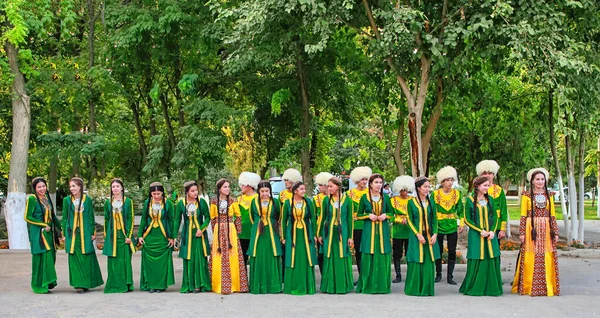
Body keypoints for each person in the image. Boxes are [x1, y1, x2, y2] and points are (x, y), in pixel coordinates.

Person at [512, 168, 560, 297]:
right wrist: (521, 233)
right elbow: (522, 216)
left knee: (547, 254)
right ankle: (528, 286)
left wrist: (555, 232)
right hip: (531, 229)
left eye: (542, 179)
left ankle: (547, 286)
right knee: (530, 254)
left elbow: (553, 215)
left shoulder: (549, 195)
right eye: (537, 179)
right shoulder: (526, 196)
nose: (540, 182)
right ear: (532, 181)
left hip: (546, 229)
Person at [459, 176, 503, 296]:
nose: (487, 188)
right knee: (478, 256)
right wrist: (480, 230)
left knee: (491, 256)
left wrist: (493, 231)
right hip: (476, 235)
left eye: (488, 185)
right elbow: (467, 219)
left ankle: (491, 287)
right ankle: (475, 286)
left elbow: (495, 217)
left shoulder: (491, 200)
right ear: (477, 186)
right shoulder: (469, 201)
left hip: (490, 235)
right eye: (485, 185)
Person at [62, 177, 104, 293]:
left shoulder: (87, 200)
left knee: (86, 258)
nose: (72, 189)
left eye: (74, 186)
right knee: (74, 258)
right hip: (72, 234)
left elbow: (91, 217)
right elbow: (65, 218)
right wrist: (64, 233)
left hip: (84, 233)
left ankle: (86, 283)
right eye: (70, 186)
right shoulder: (67, 200)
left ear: (80, 186)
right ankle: (78, 284)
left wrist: (92, 232)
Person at [355, 174, 394, 294]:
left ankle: (382, 285)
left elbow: (392, 214)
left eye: (380, 182)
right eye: (376, 182)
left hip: (382, 231)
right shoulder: (364, 198)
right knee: (368, 254)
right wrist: (368, 215)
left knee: (382, 254)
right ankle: (367, 285)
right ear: (370, 184)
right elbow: (358, 215)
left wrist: (385, 215)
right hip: (368, 231)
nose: (379, 185)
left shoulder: (386, 198)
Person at [209, 179, 249, 295]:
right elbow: (212, 218)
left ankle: (235, 284)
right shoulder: (214, 202)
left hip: (231, 230)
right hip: (219, 230)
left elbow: (238, 216)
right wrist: (215, 231)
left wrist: (238, 230)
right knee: (218, 255)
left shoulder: (233, 201)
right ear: (219, 189)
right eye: (225, 187)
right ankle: (218, 284)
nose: (228, 189)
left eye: (228, 187)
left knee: (233, 255)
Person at [317, 177, 354, 294]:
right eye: (328, 186)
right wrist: (319, 234)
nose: (329, 189)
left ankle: (342, 285)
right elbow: (322, 217)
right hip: (329, 233)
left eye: (331, 186)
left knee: (341, 255)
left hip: (342, 232)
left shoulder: (347, 200)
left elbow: (350, 220)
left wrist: (350, 237)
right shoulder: (326, 200)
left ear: (338, 186)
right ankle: (329, 285)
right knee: (329, 255)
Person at [25, 177, 62, 294]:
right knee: (41, 258)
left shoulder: (46, 199)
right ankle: (39, 285)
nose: (42, 189)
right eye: (39, 187)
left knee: (50, 257)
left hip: (49, 233)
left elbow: (52, 216)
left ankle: (48, 282)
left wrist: (62, 228)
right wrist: (42, 224)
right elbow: (27, 217)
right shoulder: (32, 199)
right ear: (35, 189)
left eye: (43, 186)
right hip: (39, 233)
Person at [405, 177, 440, 296]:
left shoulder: (432, 202)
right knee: (416, 260)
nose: (427, 189)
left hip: (429, 236)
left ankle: (427, 288)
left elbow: (435, 219)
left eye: (428, 187)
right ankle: (414, 288)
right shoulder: (411, 202)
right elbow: (409, 219)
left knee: (429, 261)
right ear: (418, 188)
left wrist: (435, 234)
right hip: (417, 237)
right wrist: (418, 234)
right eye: (425, 186)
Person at [174, 181, 211, 293]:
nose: (195, 193)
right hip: (187, 235)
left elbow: (208, 218)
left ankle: (200, 284)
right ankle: (189, 284)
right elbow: (177, 220)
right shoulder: (181, 203)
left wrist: (202, 229)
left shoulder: (201, 202)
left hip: (199, 235)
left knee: (199, 258)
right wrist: (175, 236)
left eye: (196, 190)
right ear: (187, 192)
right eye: (192, 191)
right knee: (189, 259)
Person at [138, 182, 175, 293]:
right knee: (149, 262)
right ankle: (151, 284)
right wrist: (139, 235)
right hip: (149, 235)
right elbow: (144, 218)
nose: (156, 196)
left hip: (163, 236)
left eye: (158, 193)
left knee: (162, 263)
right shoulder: (147, 203)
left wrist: (172, 237)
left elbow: (171, 220)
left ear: (162, 193)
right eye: (154, 194)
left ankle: (161, 285)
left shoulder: (168, 204)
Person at [247, 180, 283, 294]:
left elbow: (279, 217)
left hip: (271, 233)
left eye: (266, 191)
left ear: (270, 191)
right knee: (258, 256)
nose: (264, 193)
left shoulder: (276, 202)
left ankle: (273, 285)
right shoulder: (254, 202)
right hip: (258, 233)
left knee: (271, 255)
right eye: (262, 191)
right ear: (258, 191)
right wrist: (259, 224)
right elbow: (251, 217)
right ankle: (258, 285)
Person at [282, 181, 317, 295]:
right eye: (301, 189)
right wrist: (283, 236)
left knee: (306, 256)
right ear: (295, 191)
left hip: (306, 233)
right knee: (293, 257)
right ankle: (292, 286)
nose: (304, 191)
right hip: (292, 233)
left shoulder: (308, 202)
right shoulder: (287, 203)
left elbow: (313, 219)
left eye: (304, 189)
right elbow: (283, 220)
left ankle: (307, 286)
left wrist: (315, 234)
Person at [103, 178, 136, 293]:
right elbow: (106, 219)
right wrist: (107, 236)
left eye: (117, 186)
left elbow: (131, 219)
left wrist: (128, 235)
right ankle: (114, 284)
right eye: (113, 187)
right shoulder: (108, 202)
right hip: (113, 237)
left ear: (122, 188)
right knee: (113, 261)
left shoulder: (128, 202)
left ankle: (126, 284)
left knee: (124, 261)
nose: (115, 189)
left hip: (124, 237)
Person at [433, 166, 464, 285]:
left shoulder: (457, 194)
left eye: (452, 179)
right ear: (442, 181)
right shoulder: (435, 194)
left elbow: (461, 210)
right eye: (447, 180)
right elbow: (432, 211)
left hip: (451, 225)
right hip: (438, 225)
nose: (450, 182)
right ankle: (438, 274)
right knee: (438, 250)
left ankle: (450, 276)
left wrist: (461, 223)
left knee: (452, 251)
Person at [347, 166, 372, 283]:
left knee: (369, 250)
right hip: (355, 225)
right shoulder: (349, 194)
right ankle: (362, 276)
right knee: (358, 251)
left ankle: (370, 275)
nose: (364, 182)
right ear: (356, 180)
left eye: (366, 179)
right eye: (362, 179)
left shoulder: (371, 193)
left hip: (368, 225)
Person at [390, 175, 414, 283]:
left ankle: (410, 274)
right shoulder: (393, 201)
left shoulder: (413, 200)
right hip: (398, 231)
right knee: (397, 254)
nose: (404, 192)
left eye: (406, 190)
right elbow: (390, 215)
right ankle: (398, 275)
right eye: (402, 190)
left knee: (410, 252)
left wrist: (409, 220)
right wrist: (399, 220)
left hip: (410, 230)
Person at [233, 172, 261, 267]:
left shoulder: (258, 198)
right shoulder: (239, 199)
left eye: (242, 184)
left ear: (249, 185)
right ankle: (243, 280)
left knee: (255, 257)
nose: (241, 187)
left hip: (255, 232)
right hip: (241, 234)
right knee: (242, 259)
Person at [477, 160, 508, 239]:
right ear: (480, 174)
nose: (487, 175)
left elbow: (503, 211)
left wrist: (503, 229)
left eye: (490, 173)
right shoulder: (476, 191)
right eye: (484, 173)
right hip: (480, 226)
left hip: (495, 225)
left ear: (494, 174)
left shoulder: (499, 190)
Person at [313, 172, 333, 274]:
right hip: (319, 227)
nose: (319, 187)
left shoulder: (335, 197)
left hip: (332, 227)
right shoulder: (316, 198)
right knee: (320, 253)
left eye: (321, 185)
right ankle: (323, 275)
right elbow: (314, 215)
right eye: (318, 185)